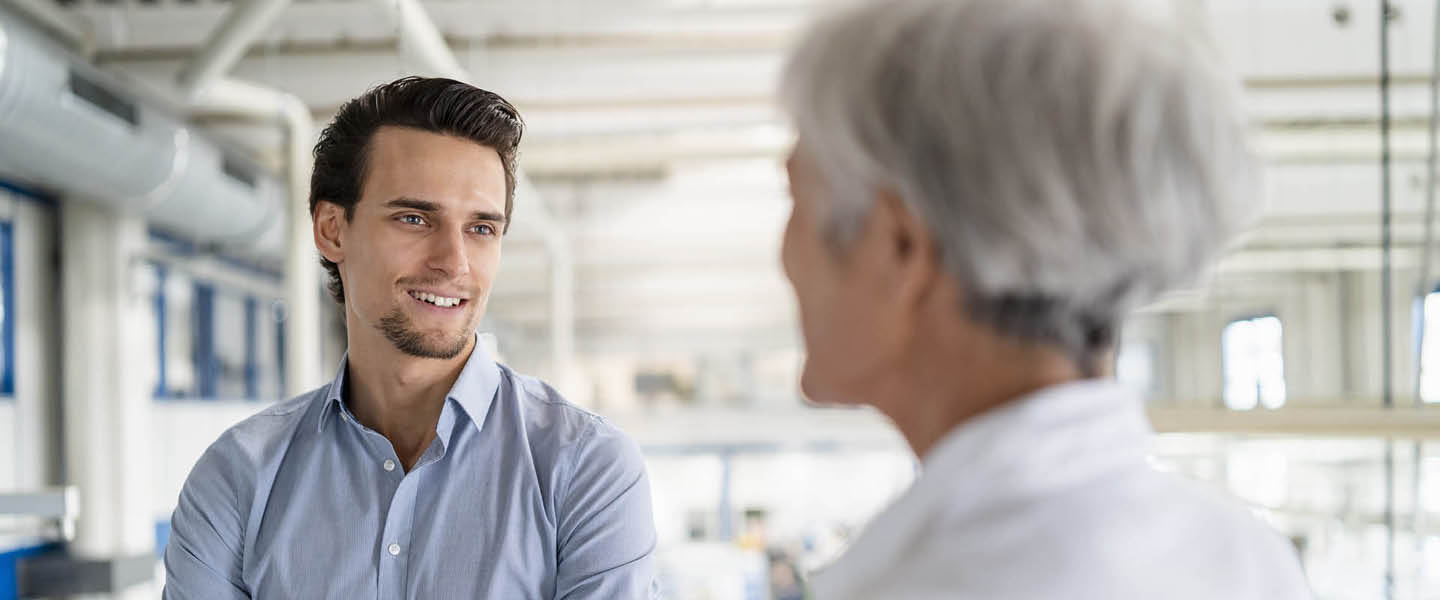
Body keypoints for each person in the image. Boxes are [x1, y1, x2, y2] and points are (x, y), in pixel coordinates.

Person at [776, 1, 1313, 598]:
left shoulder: (934, 585)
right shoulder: (1245, 559)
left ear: (899, 249)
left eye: (796, 203)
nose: (783, 258)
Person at [163, 77, 658, 599]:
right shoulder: (238, 479)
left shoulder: (584, 470)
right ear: (333, 229)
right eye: (415, 218)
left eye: (481, 228)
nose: (454, 262)